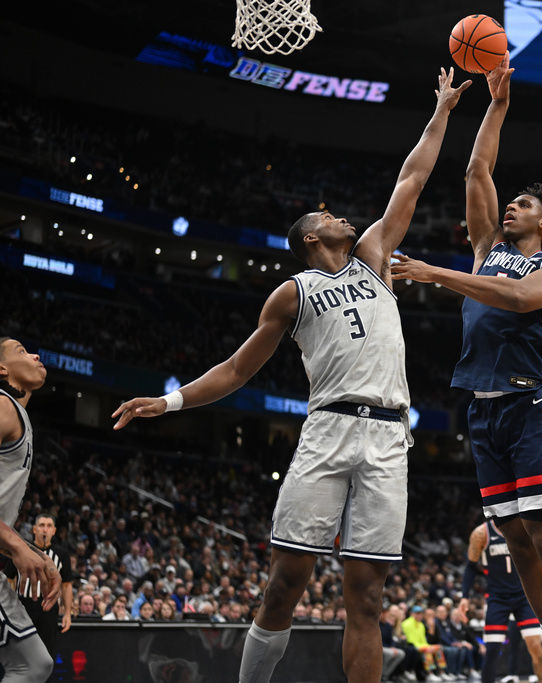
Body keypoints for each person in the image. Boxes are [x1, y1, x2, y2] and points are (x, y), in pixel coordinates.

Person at [111, 69, 471, 683]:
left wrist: (441, 110)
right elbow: (234, 370)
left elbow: (413, 176)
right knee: (286, 583)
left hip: (389, 439)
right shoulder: (292, 293)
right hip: (327, 431)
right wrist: (167, 403)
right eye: (329, 216)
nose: (343, 219)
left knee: (366, 597)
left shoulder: (377, 258)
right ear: (312, 235)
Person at [391, 54, 542, 683]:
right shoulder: (486, 250)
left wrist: (431, 273)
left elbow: (512, 300)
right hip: (484, 408)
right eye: (510, 202)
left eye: (524, 204)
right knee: (517, 543)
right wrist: (495, 105)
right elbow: (477, 167)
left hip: (536, 400)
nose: (510, 207)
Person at [0, 337, 61, 682]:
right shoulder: (3, 406)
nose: (35, 354)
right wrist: (19, 547)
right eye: (21, 351)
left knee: (32, 663)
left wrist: (28, 550)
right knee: (32, 663)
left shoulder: (16, 413)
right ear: (2, 369)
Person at [462, 520, 542, 683]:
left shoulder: (524, 528)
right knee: (492, 650)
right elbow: (471, 566)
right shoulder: (481, 533)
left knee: (536, 646)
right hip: (497, 598)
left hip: (524, 596)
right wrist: (464, 597)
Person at [3, 514, 73, 658]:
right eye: (41, 525)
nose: (45, 530)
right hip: (23, 605)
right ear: (34, 529)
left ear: (54, 531)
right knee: (21, 652)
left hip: (49, 606)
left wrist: (67, 613)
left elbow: (66, 585)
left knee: (46, 653)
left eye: (48, 526)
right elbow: (9, 579)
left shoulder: (62, 554)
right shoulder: (21, 550)